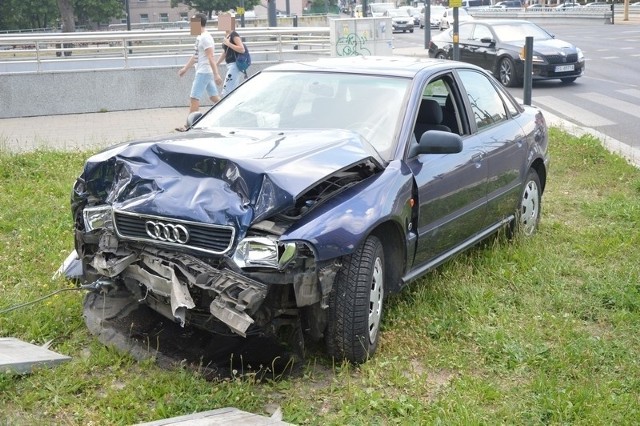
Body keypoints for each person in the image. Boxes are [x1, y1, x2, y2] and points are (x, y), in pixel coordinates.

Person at [176, 13, 223, 131]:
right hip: (203, 71)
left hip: (204, 72)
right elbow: (196, 56)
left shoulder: (205, 37)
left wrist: (216, 74)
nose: (190, 25)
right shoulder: (200, 37)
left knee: (194, 98)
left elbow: (211, 57)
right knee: (214, 97)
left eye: (192, 23)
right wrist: (185, 68)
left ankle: (189, 126)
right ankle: (230, 110)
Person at [217, 27, 246, 97]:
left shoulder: (234, 34)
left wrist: (229, 43)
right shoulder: (227, 35)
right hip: (230, 65)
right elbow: (225, 52)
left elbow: (242, 49)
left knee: (226, 91)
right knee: (232, 91)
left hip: (234, 65)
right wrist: (217, 63)